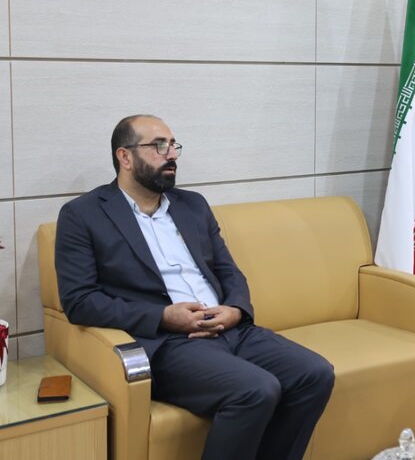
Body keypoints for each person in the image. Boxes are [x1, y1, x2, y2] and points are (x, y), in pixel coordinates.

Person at [55, 115, 335, 460]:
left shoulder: (193, 205)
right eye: (159, 146)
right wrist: (163, 316)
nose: (172, 154)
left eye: (174, 145)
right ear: (124, 157)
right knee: (257, 389)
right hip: (169, 342)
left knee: (315, 374)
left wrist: (235, 309)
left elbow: (229, 271)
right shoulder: (83, 215)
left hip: (232, 329)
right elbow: (80, 301)